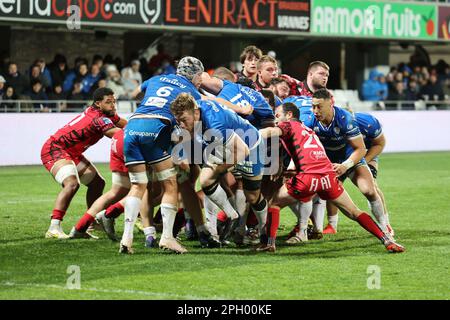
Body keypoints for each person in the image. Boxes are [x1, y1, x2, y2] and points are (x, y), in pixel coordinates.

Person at [258, 103, 405, 253]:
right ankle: (387, 240)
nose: (275, 119)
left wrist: (251, 132)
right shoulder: (308, 130)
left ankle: (270, 244)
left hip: (308, 177)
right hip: (328, 176)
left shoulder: (288, 125)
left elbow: (270, 131)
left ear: (289, 115)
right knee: (354, 211)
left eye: (277, 115)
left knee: (274, 204)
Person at [118, 56, 204, 254]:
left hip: (133, 125)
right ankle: (167, 238)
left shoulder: (156, 79)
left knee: (138, 185)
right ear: (195, 75)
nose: (201, 80)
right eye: (200, 76)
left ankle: (126, 238)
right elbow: (194, 120)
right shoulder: (191, 91)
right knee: (171, 184)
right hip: (156, 127)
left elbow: (133, 95)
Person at [170, 93, 270, 249]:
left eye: (183, 120)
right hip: (225, 147)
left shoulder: (214, 123)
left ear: (196, 113)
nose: (181, 125)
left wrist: (220, 169)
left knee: (252, 196)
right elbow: (214, 99)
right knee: (205, 180)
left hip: (250, 147)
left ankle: (265, 234)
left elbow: (242, 151)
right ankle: (232, 216)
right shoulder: (195, 107)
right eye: (178, 121)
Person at [40, 88, 127, 239]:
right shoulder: (98, 118)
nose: (113, 105)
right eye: (109, 102)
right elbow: (115, 134)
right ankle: (54, 228)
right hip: (55, 149)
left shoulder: (107, 113)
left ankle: (90, 223)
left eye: (114, 102)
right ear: (98, 104)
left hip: (71, 152)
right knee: (72, 184)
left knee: (97, 183)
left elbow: (125, 124)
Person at [303, 89, 391, 237]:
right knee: (320, 193)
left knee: (369, 190)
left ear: (330, 104)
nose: (315, 111)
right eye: (313, 106)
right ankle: (311, 229)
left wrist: (346, 165)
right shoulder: (310, 121)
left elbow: (361, 149)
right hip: (328, 160)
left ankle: (385, 226)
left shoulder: (346, 119)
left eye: (319, 106)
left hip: (349, 157)